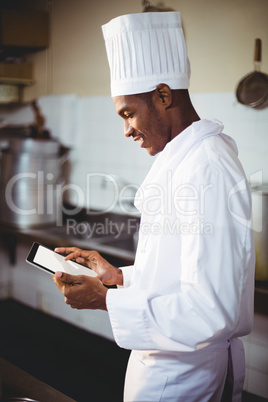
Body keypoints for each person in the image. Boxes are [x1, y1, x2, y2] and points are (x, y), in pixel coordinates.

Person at [53, 11, 255, 402]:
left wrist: (104, 298)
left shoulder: (207, 167)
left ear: (164, 96)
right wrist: (118, 278)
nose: (126, 129)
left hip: (183, 378)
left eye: (128, 113)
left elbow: (211, 310)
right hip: (165, 365)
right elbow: (178, 275)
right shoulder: (182, 158)